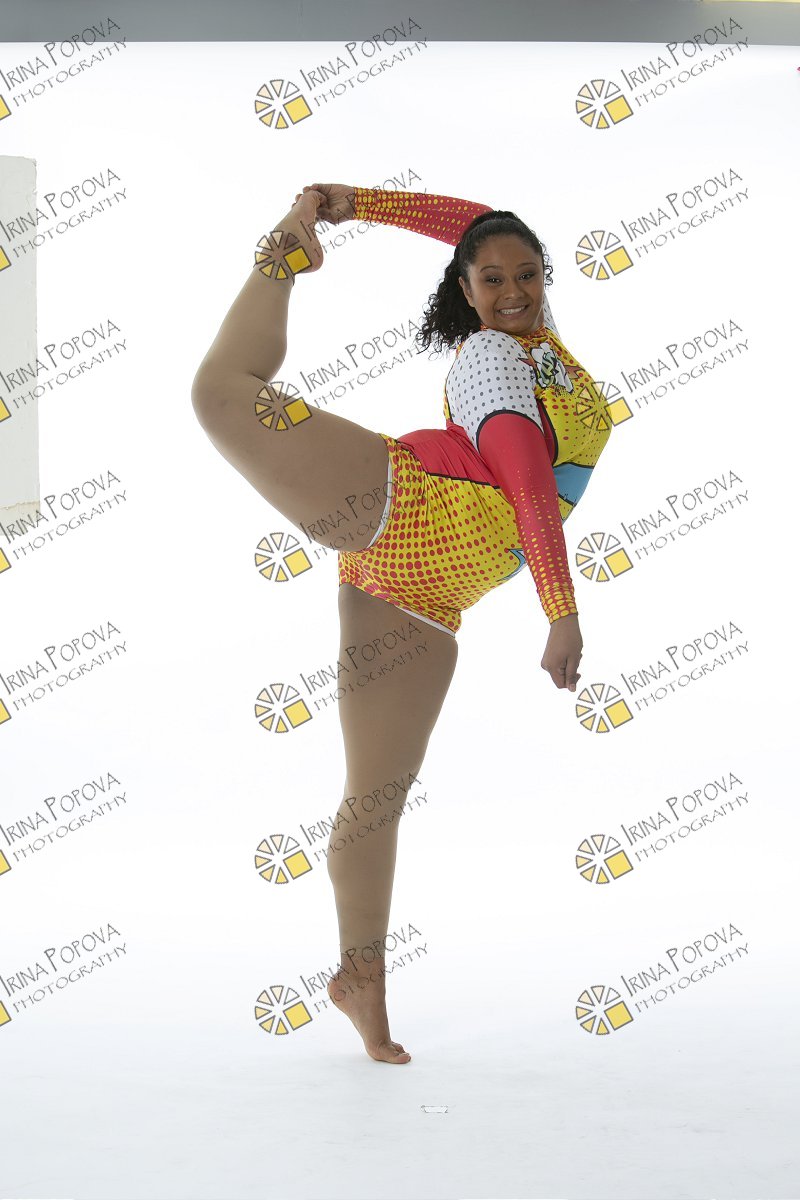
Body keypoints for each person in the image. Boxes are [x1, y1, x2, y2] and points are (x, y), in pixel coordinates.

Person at [191, 183, 613, 1066]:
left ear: (545, 274)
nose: (513, 292)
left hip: (426, 589)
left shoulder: (543, 344)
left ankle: (362, 983)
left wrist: (356, 201)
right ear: (466, 290)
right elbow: (530, 491)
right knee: (222, 394)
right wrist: (562, 613)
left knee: (375, 796)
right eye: (492, 280)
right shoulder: (494, 360)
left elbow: (476, 226)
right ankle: (282, 258)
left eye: (528, 275)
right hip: (405, 508)